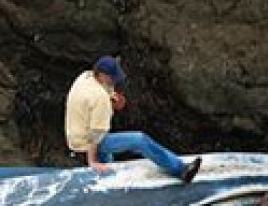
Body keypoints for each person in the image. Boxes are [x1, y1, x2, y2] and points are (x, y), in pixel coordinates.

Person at [65, 55, 201, 183]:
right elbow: (95, 136)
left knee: (108, 164)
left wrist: (111, 96)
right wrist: (93, 162)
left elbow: (91, 100)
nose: (115, 81)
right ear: (102, 75)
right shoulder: (100, 99)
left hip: (74, 134)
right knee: (139, 140)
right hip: (86, 143)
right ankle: (181, 170)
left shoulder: (85, 76)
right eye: (113, 78)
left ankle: (108, 178)